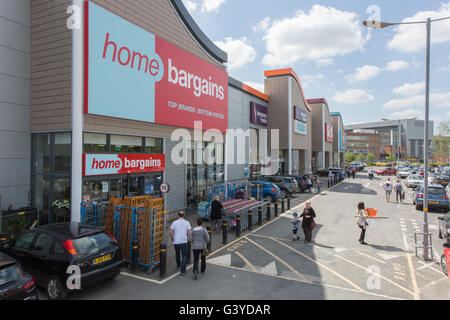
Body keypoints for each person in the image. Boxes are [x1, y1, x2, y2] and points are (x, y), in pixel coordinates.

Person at [169, 211, 192, 275]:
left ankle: (178, 264)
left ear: (178, 215)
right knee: (184, 256)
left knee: (177, 253)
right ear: (183, 215)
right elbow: (190, 231)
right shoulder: (187, 222)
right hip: (184, 241)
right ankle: (183, 270)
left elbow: (170, 231)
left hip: (176, 241)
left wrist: (172, 238)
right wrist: (188, 237)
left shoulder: (174, 222)